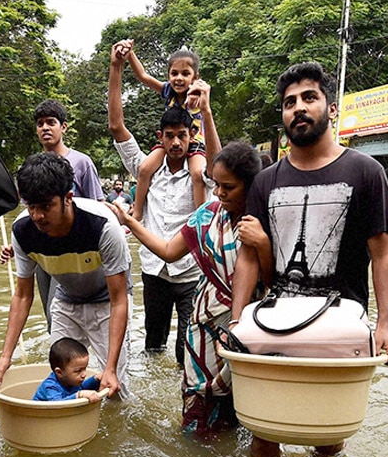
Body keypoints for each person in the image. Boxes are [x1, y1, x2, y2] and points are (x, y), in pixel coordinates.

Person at [231, 62, 388, 457]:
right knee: (263, 434)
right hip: (278, 318)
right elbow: (248, 256)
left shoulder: (366, 171)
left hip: (340, 322)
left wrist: (385, 326)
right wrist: (238, 319)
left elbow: (384, 253)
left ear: (330, 107)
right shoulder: (266, 181)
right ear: (283, 115)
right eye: (290, 102)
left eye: (310, 97)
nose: (299, 108)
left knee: (328, 436)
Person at [108, 79, 268, 432]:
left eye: (228, 187)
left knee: (244, 410)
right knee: (195, 403)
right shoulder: (206, 216)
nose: (221, 193)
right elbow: (166, 249)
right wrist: (129, 222)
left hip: (244, 327)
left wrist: (206, 111)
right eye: (219, 186)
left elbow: (271, 279)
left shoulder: (263, 224)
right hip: (203, 318)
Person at [0, 153, 131, 398]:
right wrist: (5, 357)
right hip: (66, 299)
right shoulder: (23, 231)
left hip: (107, 301)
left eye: (45, 206)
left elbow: (119, 300)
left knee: (114, 388)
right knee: (60, 379)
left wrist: (109, 368)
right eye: (31, 206)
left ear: (67, 198)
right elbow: (23, 296)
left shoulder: (103, 227)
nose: (37, 216)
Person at [109, 40, 215, 366]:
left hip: (190, 273)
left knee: (189, 351)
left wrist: (205, 109)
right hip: (154, 271)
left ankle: (198, 227)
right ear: (161, 137)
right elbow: (116, 126)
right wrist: (118, 65)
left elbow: (215, 162)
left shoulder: (203, 167)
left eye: (181, 135)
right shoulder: (149, 165)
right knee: (152, 347)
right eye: (169, 135)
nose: (176, 142)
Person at [0, 99, 105, 334]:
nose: (45, 128)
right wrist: (15, 245)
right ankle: (62, 357)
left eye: (51, 122)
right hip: (41, 248)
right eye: (40, 124)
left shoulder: (82, 163)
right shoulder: (33, 166)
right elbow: (29, 213)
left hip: (72, 249)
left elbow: (99, 208)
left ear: (63, 127)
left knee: (57, 305)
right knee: (50, 313)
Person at [120, 39, 207, 221]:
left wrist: (198, 93)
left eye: (185, 73)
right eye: (174, 73)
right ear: (168, 75)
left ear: (195, 77)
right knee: (144, 169)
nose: (179, 78)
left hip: (194, 143)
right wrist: (130, 55)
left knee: (198, 175)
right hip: (169, 142)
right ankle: (137, 213)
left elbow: (201, 95)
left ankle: (201, 220)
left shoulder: (198, 94)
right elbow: (143, 76)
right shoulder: (168, 91)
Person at [33, 337, 103, 403]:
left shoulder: (71, 379)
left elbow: (81, 387)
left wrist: (95, 380)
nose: (84, 374)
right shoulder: (50, 386)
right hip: (40, 414)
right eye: (78, 370)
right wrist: (79, 395)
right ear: (59, 372)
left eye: (85, 368)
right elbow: (57, 405)